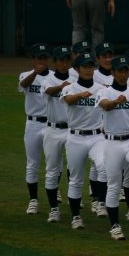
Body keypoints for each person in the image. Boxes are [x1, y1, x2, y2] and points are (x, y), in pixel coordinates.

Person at [61, 52, 107, 230]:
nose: (88, 69)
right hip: (76, 138)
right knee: (76, 179)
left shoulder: (100, 89)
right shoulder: (70, 88)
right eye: (85, 66)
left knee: (103, 167)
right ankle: (75, 217)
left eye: (91, 66)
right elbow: (69, 101)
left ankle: (100, 202)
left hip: (97, 136)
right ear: (77, 69)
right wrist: (80, 95)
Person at [96, 56, 129, 241]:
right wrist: (115, 103)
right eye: (119, 71)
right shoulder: (105, 92)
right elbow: (105, 105)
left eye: (125, 71)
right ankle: (114, 225)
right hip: (112, 142)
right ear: (112, 73)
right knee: (114, 184)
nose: (122, 74)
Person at [41, 46, 75, 223]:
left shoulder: (75, 78)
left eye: (66, 60)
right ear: (55, 62)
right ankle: (54, 208)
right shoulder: (48, 79)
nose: (64, 63)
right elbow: (49, 91)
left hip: (71, 129)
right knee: (52, 170)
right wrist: (63, 87)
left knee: (73, 168)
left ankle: (73, 200)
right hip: (53, 129)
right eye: (60, 60)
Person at [18, 43, 53, 215]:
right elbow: (23, 85)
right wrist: (35, 73)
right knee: (32, 163)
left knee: (54, 163)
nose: (42, 61)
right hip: (32, 124)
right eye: (39, 58)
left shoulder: (55, 77)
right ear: (33, 59)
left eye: (45, 58)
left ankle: (54, 191)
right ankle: (33, 200)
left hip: (51, 124)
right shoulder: (26, 75)